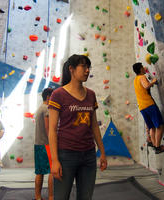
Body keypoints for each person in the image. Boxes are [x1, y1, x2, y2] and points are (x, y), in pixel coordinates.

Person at [48, 54, 107, 200]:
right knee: (61, 197)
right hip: (66, 155)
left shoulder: (91, 95)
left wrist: (102, 152)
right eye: (83, 67)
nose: (87, 70)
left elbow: (94, 126)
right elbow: (52, 130)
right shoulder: (58, 95)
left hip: (88, 155)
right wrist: (55, 160)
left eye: (88, 67)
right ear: (72, 69)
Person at [132, 63, 164, 154]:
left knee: (152, 127)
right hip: (149, 104)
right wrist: (153, 82)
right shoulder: (142, 77)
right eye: (142, 67)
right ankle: (157, 146)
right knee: (159, 125)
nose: (144, 68)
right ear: (140, 69)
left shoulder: (135, 80)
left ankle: (156, 146)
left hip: (142, 107)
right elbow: (146, 86)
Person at [34, 88, 54, 200]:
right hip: (46, 144)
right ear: (48, 97)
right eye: (53, 96)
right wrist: (52, 143)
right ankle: (51, 196)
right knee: (52, 170)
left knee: (40, 171)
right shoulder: (47, 108)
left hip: (38, 143)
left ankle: (38, 197)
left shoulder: (39, 109)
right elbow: (48, 128)